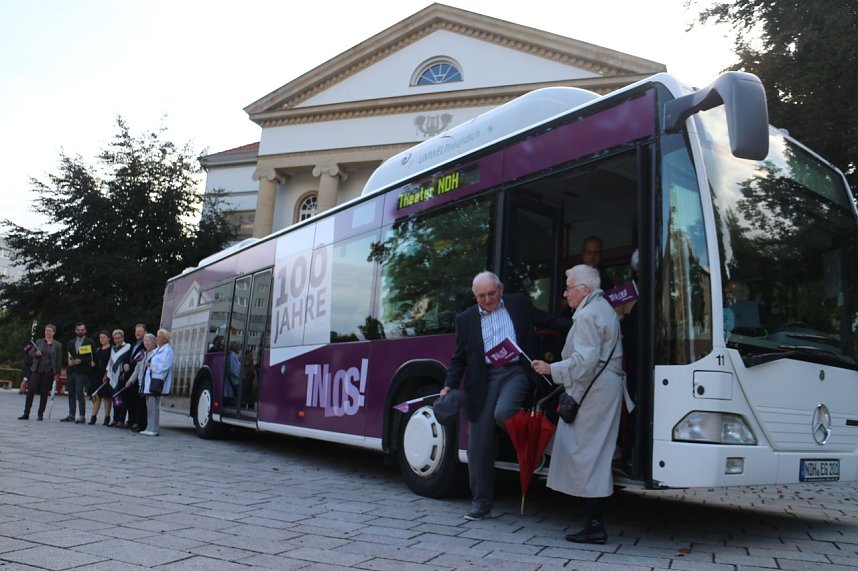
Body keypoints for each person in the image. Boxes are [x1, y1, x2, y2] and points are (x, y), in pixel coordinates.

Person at [440, 271, 571, 521]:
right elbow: (459, 358)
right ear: (474, 296)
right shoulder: (465, 319)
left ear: (500, 290)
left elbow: (546, 319)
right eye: (482, 296)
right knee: (479, 442)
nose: (488, 299)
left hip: (515, 371)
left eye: (492, 293)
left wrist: (581, 323)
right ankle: (481, 504)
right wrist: (449, 384)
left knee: (504, 413)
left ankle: (531, 446)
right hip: (484, 379)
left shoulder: (518, 304)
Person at [531, 264, 625, 544]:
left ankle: (595, 526)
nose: (564, 293)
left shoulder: (587, 314)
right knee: (592, 455)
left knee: (587, 456)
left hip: (593, 392)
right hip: (603, 389)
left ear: (584, 289)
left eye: (569, 287)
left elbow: (583, 363)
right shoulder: (604, 308)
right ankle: (592, 523)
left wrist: (550, 369)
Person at [18, 324, 63, 421]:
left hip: (49, 371)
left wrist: (57, 373)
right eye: (46, 330)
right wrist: (36, 354)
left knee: (44, 392)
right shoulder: (39, 342)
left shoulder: (57, 345)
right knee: (31, 391)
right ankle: (26, 412)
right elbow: (30, 353)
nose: (47, 332)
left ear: (54, 332)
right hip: (37, 369)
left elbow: (59, 360)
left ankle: (40, 413)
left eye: (50, 331)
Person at [140, 329, 173, 437]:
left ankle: (153, 429)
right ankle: (149, 427)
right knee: (149, 406)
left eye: (159, 337)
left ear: (164, 339)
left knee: (153, 406)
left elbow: (165, 366)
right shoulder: (158, 350)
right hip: (150, 380)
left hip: (157, 381)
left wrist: (152, 366)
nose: (157, 338)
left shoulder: (167, 350)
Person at [62, 322, 96, 424]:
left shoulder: (90, 342)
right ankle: (71, 414)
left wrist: (81, 361)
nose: (80, 331)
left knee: (79, 393)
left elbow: (93, 356)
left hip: (82, 371)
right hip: (71, 371)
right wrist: (68, 362)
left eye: (82, 330)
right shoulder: (71, 342)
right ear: (75, 330)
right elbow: (67, 355)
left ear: (85, 331)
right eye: (78, 330)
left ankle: (82, 416)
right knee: (71, 393)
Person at [126, 333, 155, 433]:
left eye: (149, 341)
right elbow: (136, 370)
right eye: (145, 341)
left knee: (146, 407)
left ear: (153, 342)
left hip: (149, 384)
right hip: (140, 384)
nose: (146, 343)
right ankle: (139, 423)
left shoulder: (155, 354)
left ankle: (145, 425)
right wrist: (130, 381)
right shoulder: (141, 354)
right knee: (140, 405)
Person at [105, 329, 132, 427]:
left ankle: (122, 419)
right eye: (115, 338)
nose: (117, 340)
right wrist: (107, 374)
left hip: (122, 377)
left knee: (122, 398)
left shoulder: (128, 347)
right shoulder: (113, 349)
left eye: (119, 338)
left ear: (123, 337)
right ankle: (115, 418)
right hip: (113, 376)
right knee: (115, 398)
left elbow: (128, 360)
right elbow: (111, 362)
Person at [124, 324, 148, 430]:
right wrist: (125, 363)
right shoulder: (133, 344)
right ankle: (131, 420)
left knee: (139, 402)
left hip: (139, 376)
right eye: (136, 331)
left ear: (145, 333)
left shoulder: (146, 345)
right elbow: (128, 357)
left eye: (140, 331)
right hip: (130, 375)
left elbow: (139, 360)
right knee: (130, 400)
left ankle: (138, 422)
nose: (137, 333)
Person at [88, 331, 112, 425]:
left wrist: (107, 374)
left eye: (104, 337)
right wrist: (93, 364)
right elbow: (96, 361)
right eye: (101, 337)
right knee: (95, 396)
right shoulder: (98, 349)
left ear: (109, 338)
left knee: (106, 397)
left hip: (106, 374)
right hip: (97, 374)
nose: (102, 339)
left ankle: (107, 417)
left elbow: (111, 363)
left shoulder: (111, 349)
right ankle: (93, 416)